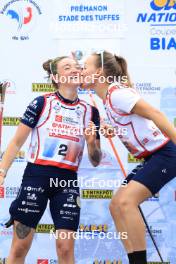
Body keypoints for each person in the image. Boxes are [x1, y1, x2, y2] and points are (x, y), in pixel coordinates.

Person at [0, 56, 102, 264]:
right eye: (67, 67)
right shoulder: (42, 102)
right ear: (56, 77)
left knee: (65, 248)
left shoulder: (91, 112)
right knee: (20, 246)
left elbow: (95, 160)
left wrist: (92, 143)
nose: (75, 69)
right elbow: (16, 143)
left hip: (67, 182)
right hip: (36, 177)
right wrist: (2, 172)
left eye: (77, 66)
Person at [81, 51, 176, 264]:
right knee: (115, 206)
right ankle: (134, 258)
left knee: (126, 202)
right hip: (152, 157)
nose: (81, 71)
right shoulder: (107, 99)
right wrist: (113, 129)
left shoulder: (116, 93)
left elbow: (156, 114)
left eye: (85, 66)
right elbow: (133, 123)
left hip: (165, 154)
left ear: (99, 72)